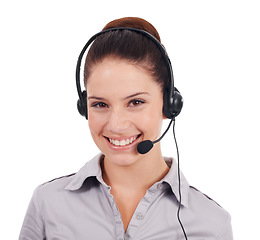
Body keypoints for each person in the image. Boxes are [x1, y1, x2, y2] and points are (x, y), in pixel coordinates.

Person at [19, 17, 233, 240]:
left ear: (169, 104)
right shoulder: (48, 204)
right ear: (84, 107)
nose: (116, 125)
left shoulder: (212, 223)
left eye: (135, 102)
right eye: (100, 104)